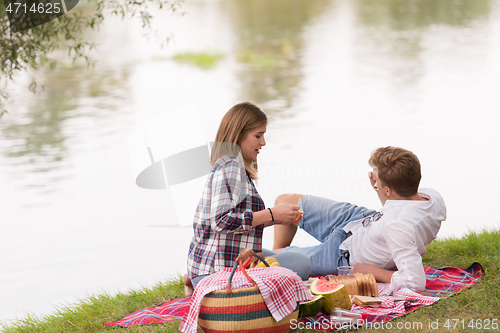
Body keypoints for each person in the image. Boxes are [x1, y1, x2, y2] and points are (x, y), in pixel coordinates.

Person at [271, 146, 446, 291]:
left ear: (388, 190)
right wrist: (379, 187)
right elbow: (395, 204)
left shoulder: (397, 226)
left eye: (375, 177)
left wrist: (373, 270)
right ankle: (283, 248)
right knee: (285, 202)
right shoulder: (432, 197)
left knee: (271, 259)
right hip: (360, 219)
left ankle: (283, 255)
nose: (373, 178)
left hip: (341, 255)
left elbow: (415, 283)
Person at [183, 102, 311, 296]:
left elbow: (238, 221)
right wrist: (270, 213)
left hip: (228, 257)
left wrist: (277, 218)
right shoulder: (231, 167)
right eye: (258, 136)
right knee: (300, 265)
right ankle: (201, 281)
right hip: (222, 270)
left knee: (292, 260)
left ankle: (194, 276)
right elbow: (220, 221)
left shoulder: (232, 166)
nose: (263, 142)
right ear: (239, 134)